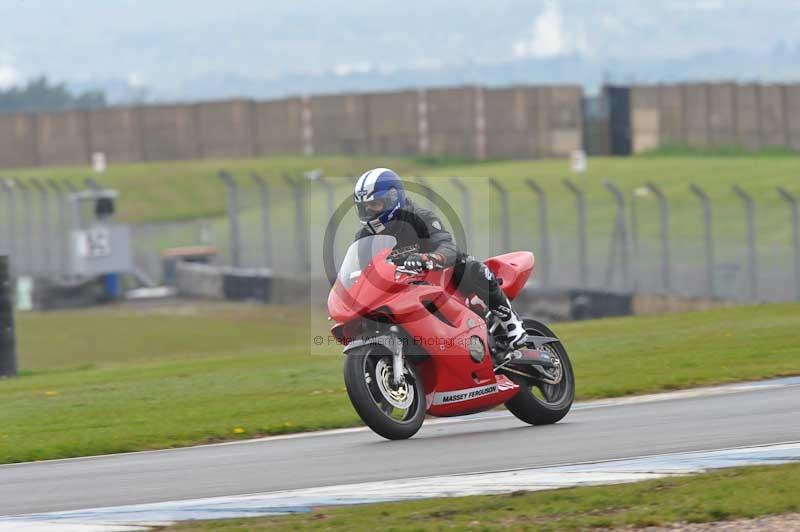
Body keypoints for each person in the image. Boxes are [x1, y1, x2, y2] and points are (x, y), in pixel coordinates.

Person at [352, 167, 529, 349]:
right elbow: (365, 269)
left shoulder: (420, 218)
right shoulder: (364, 238)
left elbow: (447, 245)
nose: (369, 211)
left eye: (375, 204)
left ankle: (510, 322)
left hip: (439, 278)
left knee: (469, 265)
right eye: (365, 207)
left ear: (392, 198)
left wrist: (432, 257)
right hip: (403, 289)